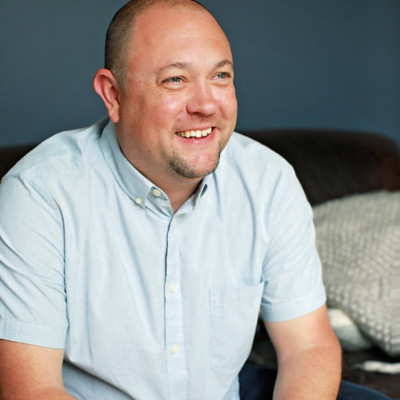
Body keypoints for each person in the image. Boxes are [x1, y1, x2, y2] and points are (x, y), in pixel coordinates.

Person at [0, 1, 391, 399]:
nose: (206, 105)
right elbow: (33, 390)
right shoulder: (40, 195)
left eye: (220, 76)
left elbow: (307, 345)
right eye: (175, 80)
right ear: (113, 95)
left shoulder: (268, 182)